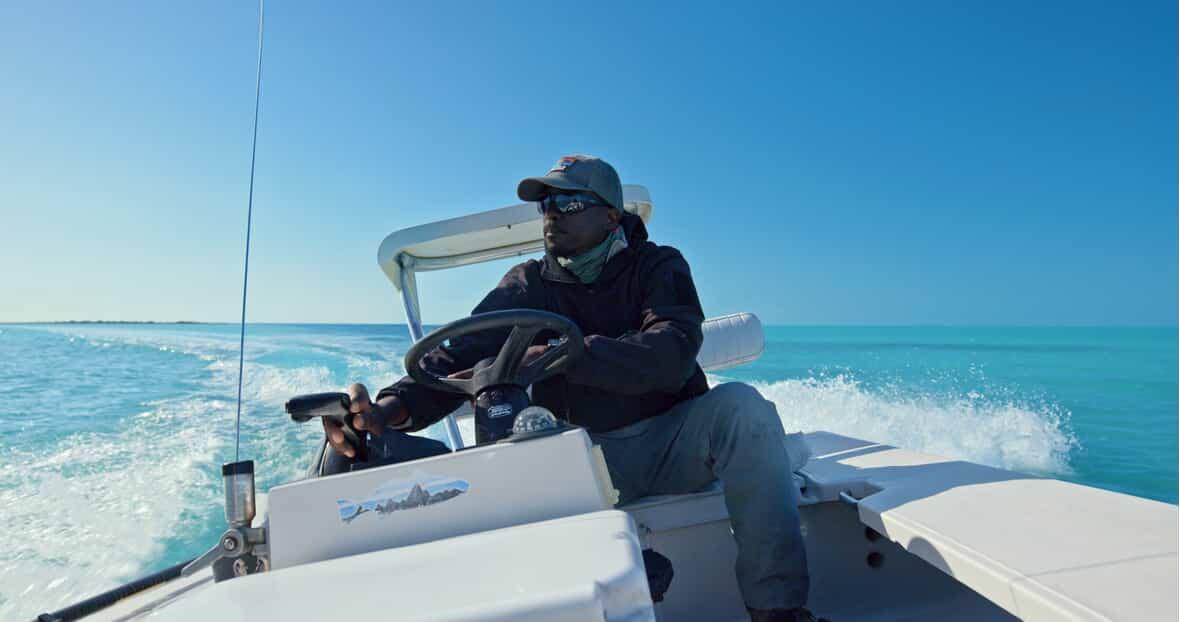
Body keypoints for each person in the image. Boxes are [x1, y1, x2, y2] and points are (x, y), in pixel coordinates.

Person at [323, 155, 823, 622]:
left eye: (568, 203)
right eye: (546, 204)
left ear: (610, 217)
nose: (551, 215)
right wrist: (385, 411)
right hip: (579, 462)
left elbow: (670, 353)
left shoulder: (659, 266)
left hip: (671, 445)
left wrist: (572, 355)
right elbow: (456, 357)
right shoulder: (525, 285)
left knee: (743, 408)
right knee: (509, 445)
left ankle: (778, 610)